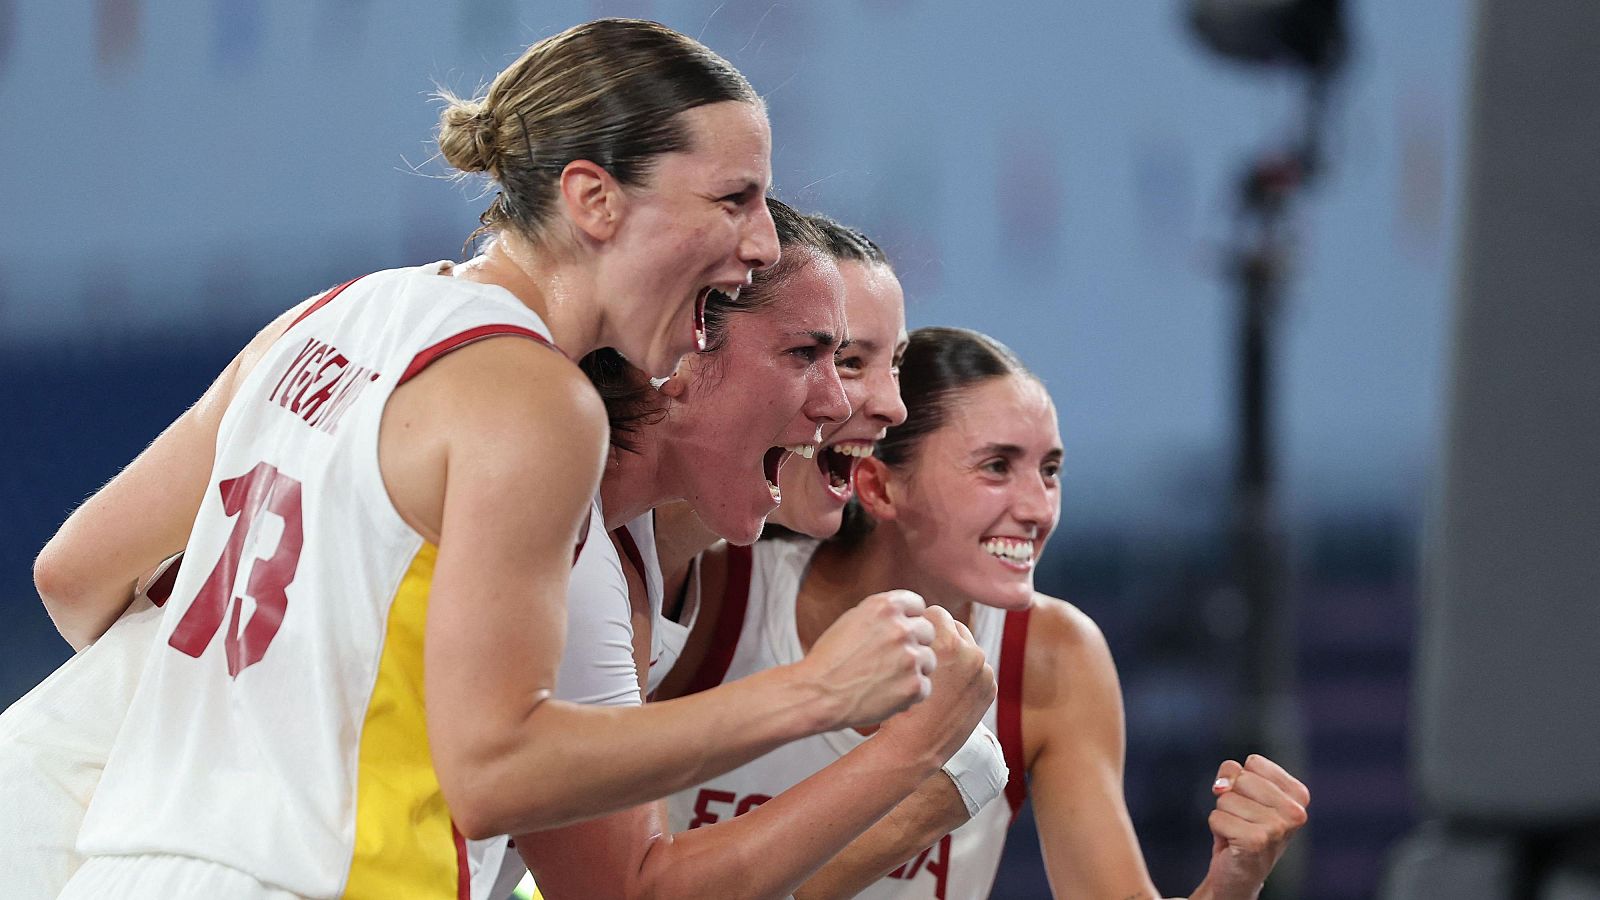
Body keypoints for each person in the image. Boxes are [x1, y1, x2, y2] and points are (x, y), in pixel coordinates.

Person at [24, 20, 940, 899]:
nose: (764, 244)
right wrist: (815, 693)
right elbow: (496, 771)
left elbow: (72, 575)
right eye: (732, 199)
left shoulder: (332, 315)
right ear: (594, 199)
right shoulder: (538, 397)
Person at [464, 200, 1000, 900]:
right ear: (682, 342)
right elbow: (633, 889)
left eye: (886, 362)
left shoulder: (624, 547)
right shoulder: (575, 539)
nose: (855, 402)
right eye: (824, 355)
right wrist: (911, 766)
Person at [658, 326, 1312, 899]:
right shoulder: (719, 591)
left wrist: (1230, 886)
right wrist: (911, 814)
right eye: (997, 467)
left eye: (1049, 471)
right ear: (879, 486)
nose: (1037, 508)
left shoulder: (1053, 652)